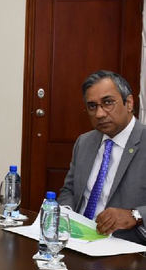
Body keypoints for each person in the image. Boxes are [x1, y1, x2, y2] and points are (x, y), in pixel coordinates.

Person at [58, 70, 146, 243]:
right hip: (77, 240)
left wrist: (135, 215)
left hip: (125, 246)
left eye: (108, 103)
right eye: (92, 106)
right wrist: (65, 214)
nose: (99, 114)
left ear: (129, 103)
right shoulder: (84, 142)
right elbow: (69, 190)